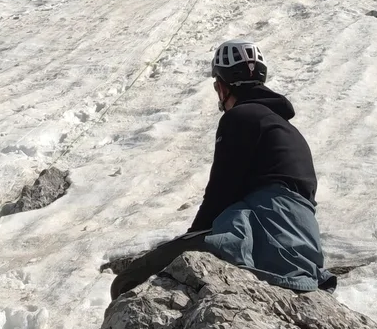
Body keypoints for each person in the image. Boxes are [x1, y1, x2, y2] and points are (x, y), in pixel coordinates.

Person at [110, 40, 332, 297]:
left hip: (263, 235)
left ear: (223, 87)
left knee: (130, 280)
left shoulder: (240, 117)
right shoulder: (289, 130)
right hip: (305, 249)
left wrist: (191, 240)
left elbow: (221, 191)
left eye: (217, 86)